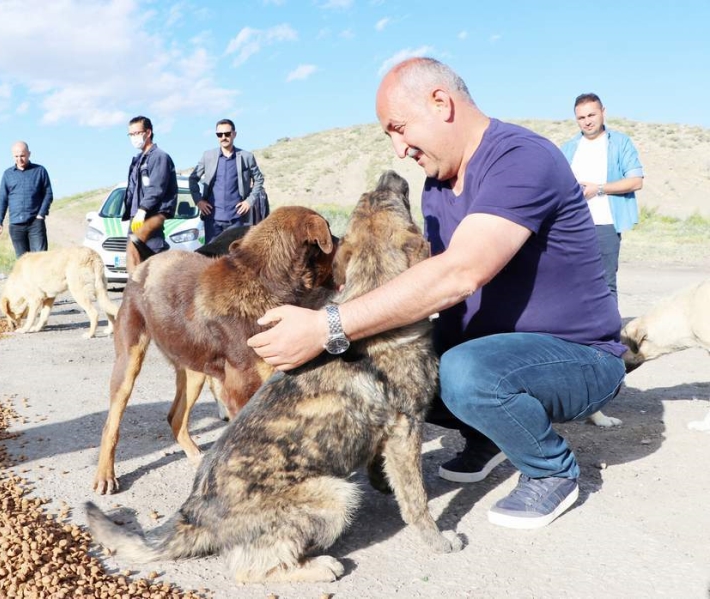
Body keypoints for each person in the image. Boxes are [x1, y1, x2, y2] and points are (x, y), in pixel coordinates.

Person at [247, 58, 627, 530]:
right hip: (498, 353)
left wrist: (329, 325)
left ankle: (551, 468)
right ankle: (489, 436)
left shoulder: (520, 158)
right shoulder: (438, 186)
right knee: (395, 362)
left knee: (464, 372)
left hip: (578, 357)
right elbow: (420, 282)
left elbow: (459, 273)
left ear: (441, 103)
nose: (398, 148)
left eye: (399, 128)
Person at [561, 93, 644, 299]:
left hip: (606, 225)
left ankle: (609, 332)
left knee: (606, 285)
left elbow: (636, 181)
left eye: (592, 115)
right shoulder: (569, 148)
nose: (587, 121)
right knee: (573, 283)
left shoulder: (620, 143)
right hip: (573, 226)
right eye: (581, 118)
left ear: (603, 113)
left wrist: (598, 188)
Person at [188, 119, 266, 242]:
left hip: (237, 219)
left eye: (227, 134)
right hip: (212, 219)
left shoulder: (246, 157)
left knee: (235, 257)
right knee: (212, 258)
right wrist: (199, 201)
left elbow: (259, 180)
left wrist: (249, 201)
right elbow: (193, 179)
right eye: (220, 134)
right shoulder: (208, 156)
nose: (223, 137)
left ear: (234, 134)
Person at [123, 116, 178, 272]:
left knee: (154, 261)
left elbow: (156, 187)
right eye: (131, 134)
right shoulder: (139, 159)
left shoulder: (159, 157)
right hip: (137, 218)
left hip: (149, 216)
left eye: (137, 133)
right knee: (135, 262)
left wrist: (143, 210)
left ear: (148, 132)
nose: (134, 137)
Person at [0, 141, 54, 257]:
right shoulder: (7, 174)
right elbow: (3, 199)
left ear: (29, 154)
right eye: (16, 156)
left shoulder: (40, 171)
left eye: (22, 155)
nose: (19, 159)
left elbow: (48, 194)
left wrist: (41, 215)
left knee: (40, 259)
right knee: (22, 263)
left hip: (35, 224)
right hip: (16, 226)